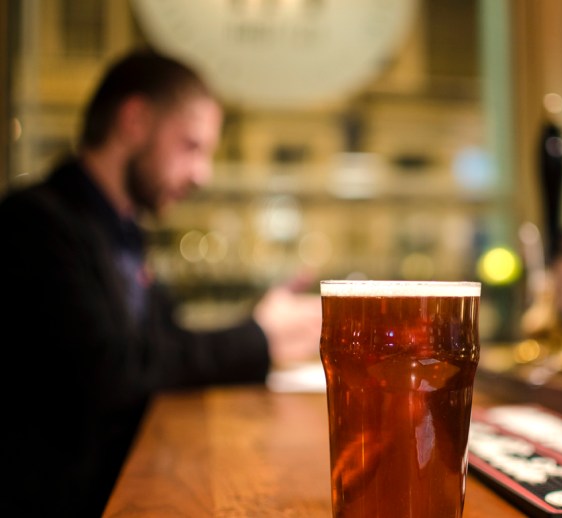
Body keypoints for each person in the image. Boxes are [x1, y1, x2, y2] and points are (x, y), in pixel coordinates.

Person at [0, 49, 322, 516]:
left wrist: (259, 327)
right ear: (134, 121)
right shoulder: (35, 224)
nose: (202, 175)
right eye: (191, 146)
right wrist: (260, 337)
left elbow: (163, 344)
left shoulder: (122, 231)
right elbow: (115, 373)